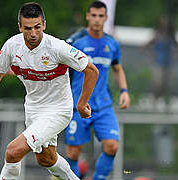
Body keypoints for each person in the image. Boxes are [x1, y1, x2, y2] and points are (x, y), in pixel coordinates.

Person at [0, 2, 99, 180]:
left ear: (44, 25)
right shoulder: (12, 46)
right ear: (20, 27)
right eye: (28, 28)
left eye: (37, 27)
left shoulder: (57, 47)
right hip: (33, 109)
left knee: (12, 152)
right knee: (46, 159)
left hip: (58, 110)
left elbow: (91, 70)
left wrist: (82, 103)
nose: (33, 33)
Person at [64, 1, 130, 179]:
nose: (97, 20)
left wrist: (124, 91)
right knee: (73, 153)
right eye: (93, 15)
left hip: (103, 106)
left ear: (106, 18)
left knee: (112, 146)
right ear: (88, 16)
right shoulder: (77, 43)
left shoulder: (112, 44)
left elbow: (117, 68)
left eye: (101, 16)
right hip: (79, 105)